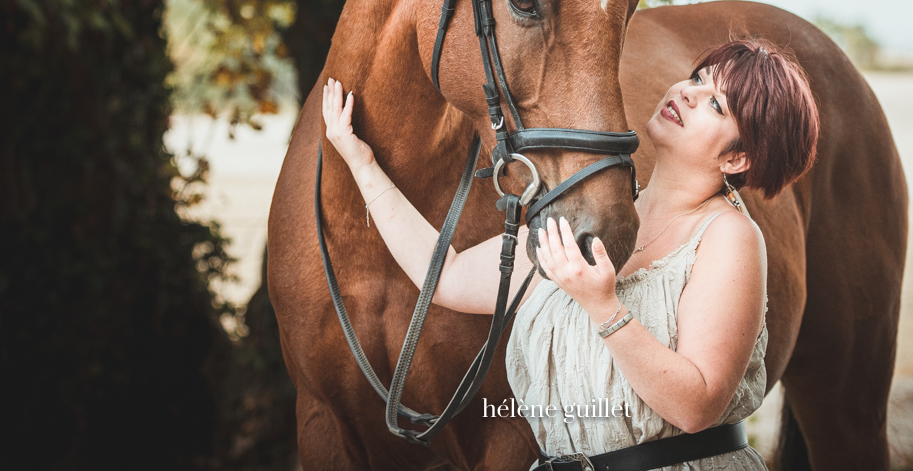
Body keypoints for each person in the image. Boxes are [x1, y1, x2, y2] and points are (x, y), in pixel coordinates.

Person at [322, 38, 820, 470]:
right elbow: (449, 276)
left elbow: (696, 405)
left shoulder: (728, 236)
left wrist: (603, 306)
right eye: (697, 77)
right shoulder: (594, 219)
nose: (687, 92)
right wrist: (360, 162)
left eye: (716, 104)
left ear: (737, 157)